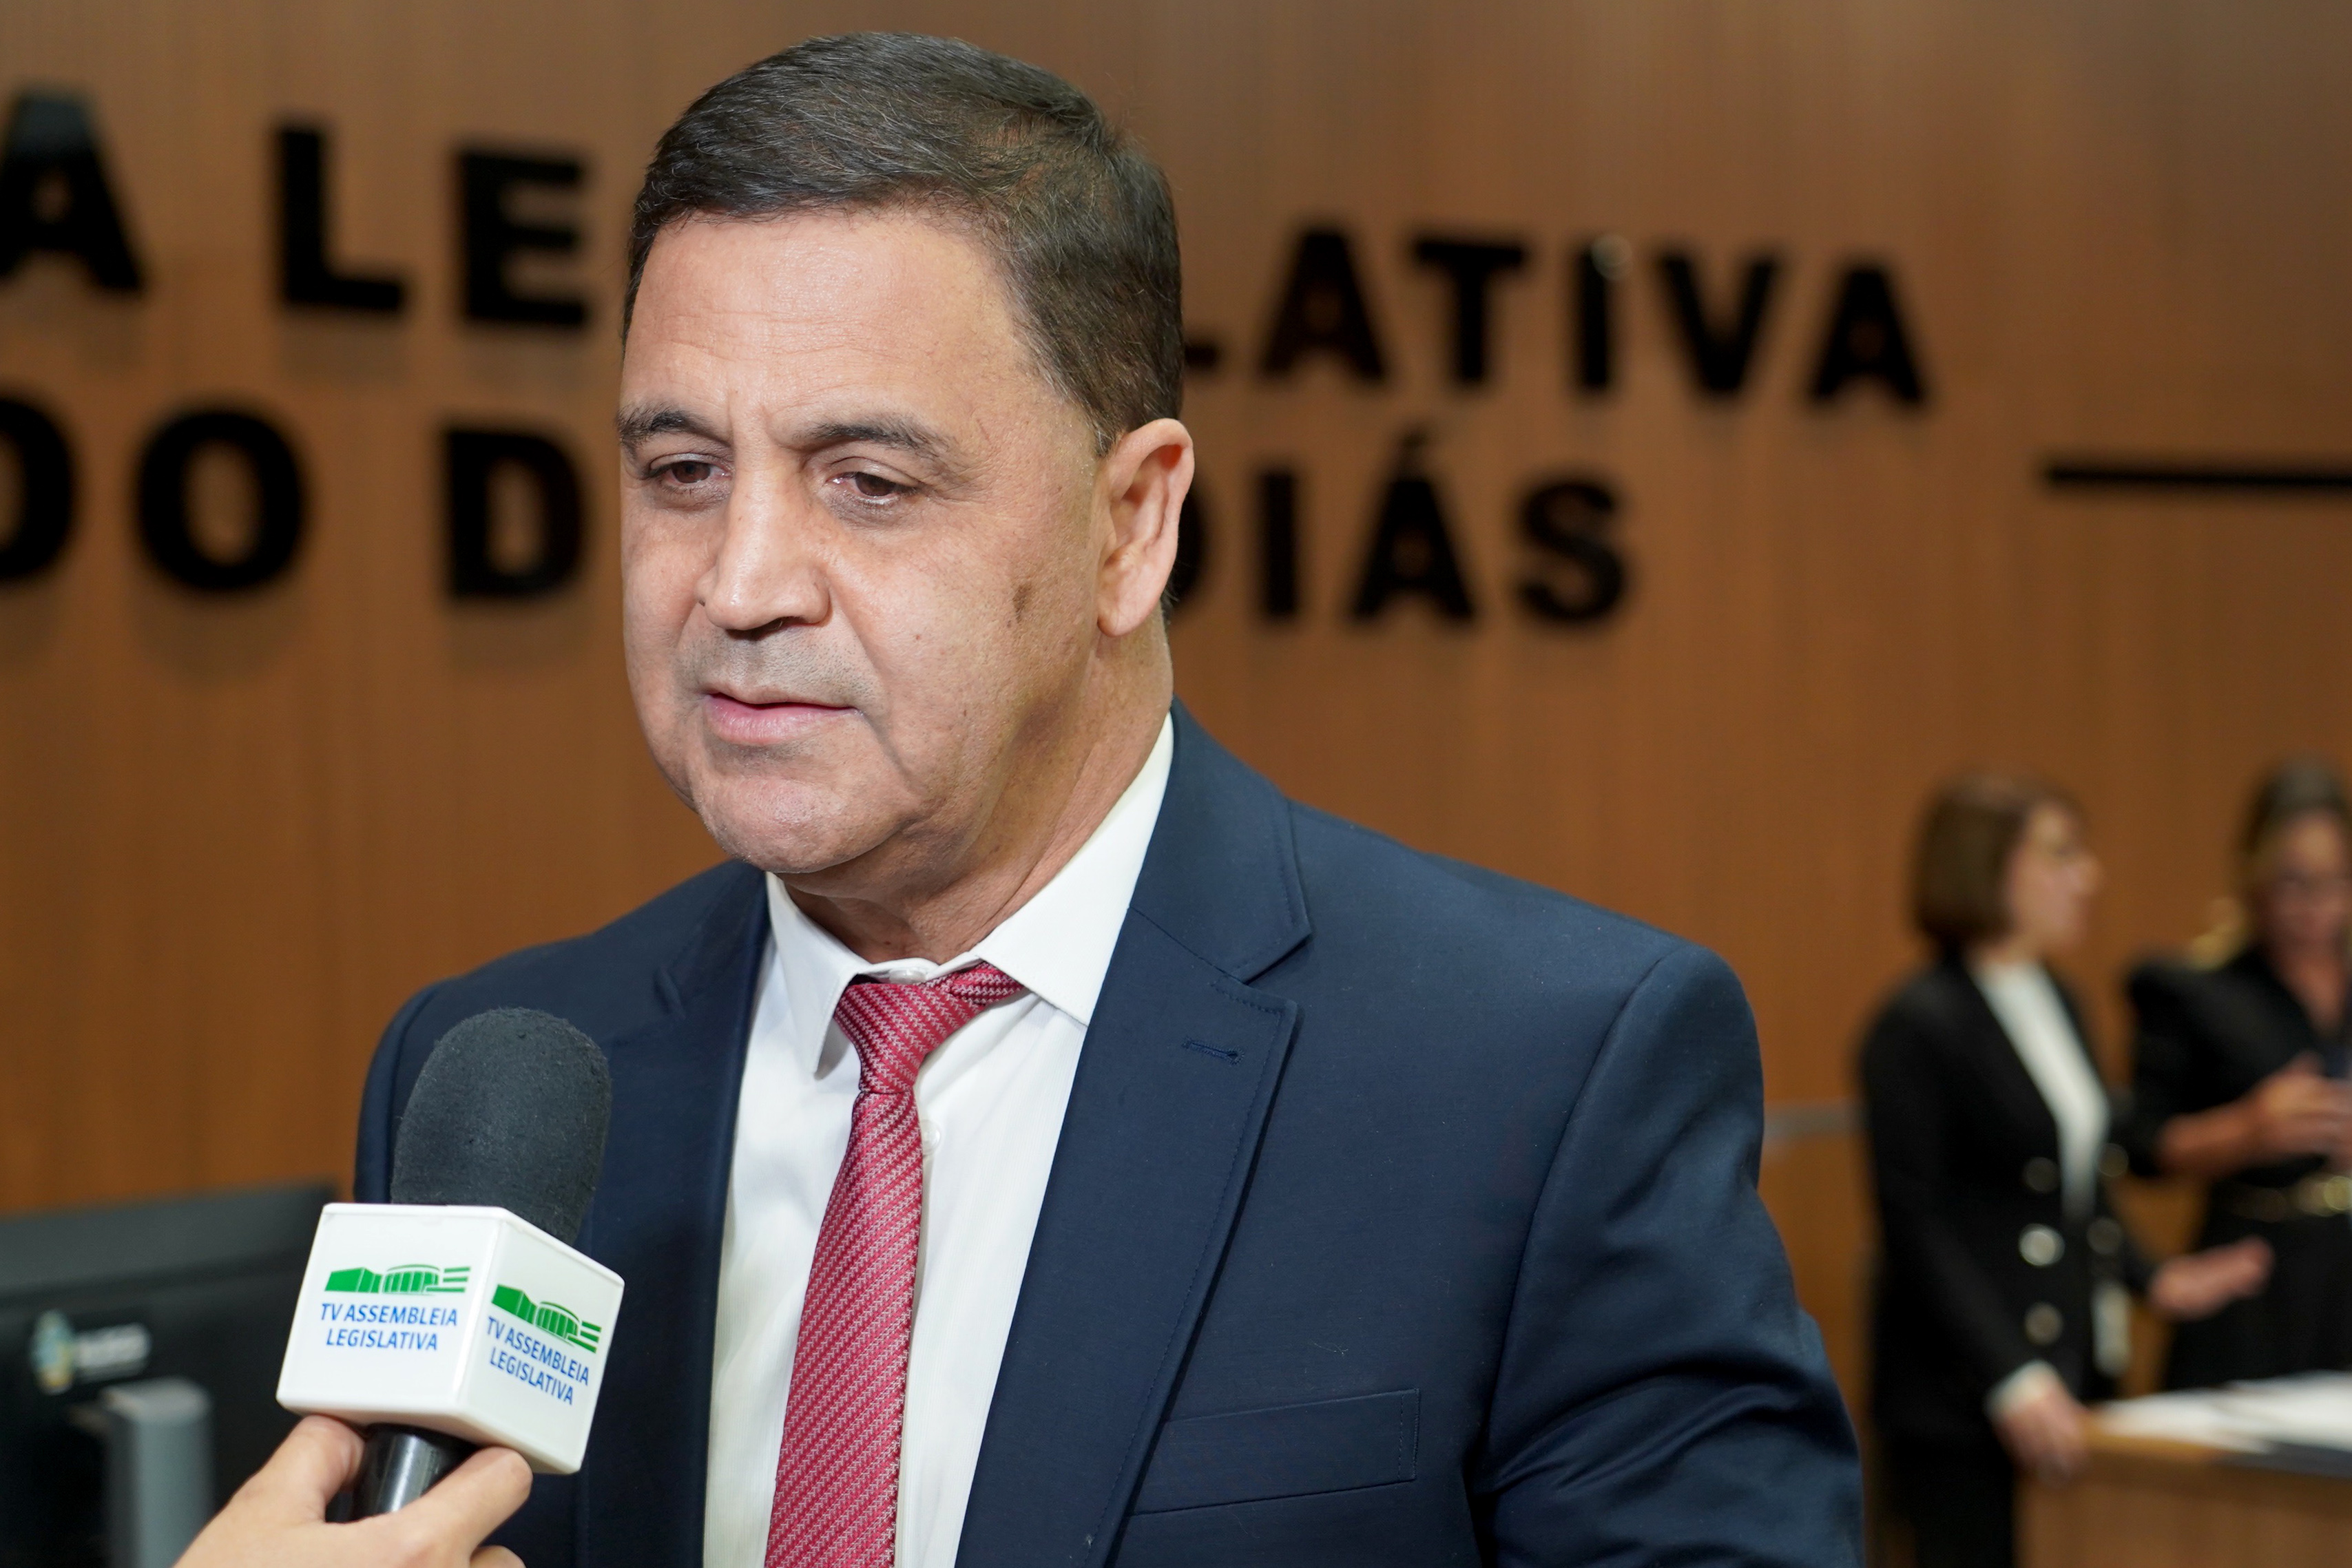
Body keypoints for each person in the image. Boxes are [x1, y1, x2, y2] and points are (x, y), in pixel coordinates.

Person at [187, 33, 1859, 1568]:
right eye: (682, 472)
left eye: (868, 481)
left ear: (1131, 524)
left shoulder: (1542, 1074)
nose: (740, 583)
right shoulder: (500, 1081)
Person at [1860, 775, 2268, 1568]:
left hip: (2069, 1368)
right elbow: (1915, 1225)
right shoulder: (1917, 1022)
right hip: (1964, 1395)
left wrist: (2152, 1278)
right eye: (2060, 854)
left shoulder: (2059, 999)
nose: (2087, 876)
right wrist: (2008, 1376)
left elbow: (2073, 1186)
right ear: (1984, 865)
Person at [2122, 757, 2352, 1390]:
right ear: (2253, 875)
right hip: (2254, 1272)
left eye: (2335, 880)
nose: (2315, 904)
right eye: (2293, 880)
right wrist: (2247, 1129)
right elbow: (2139, 1145)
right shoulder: (2197, 991)